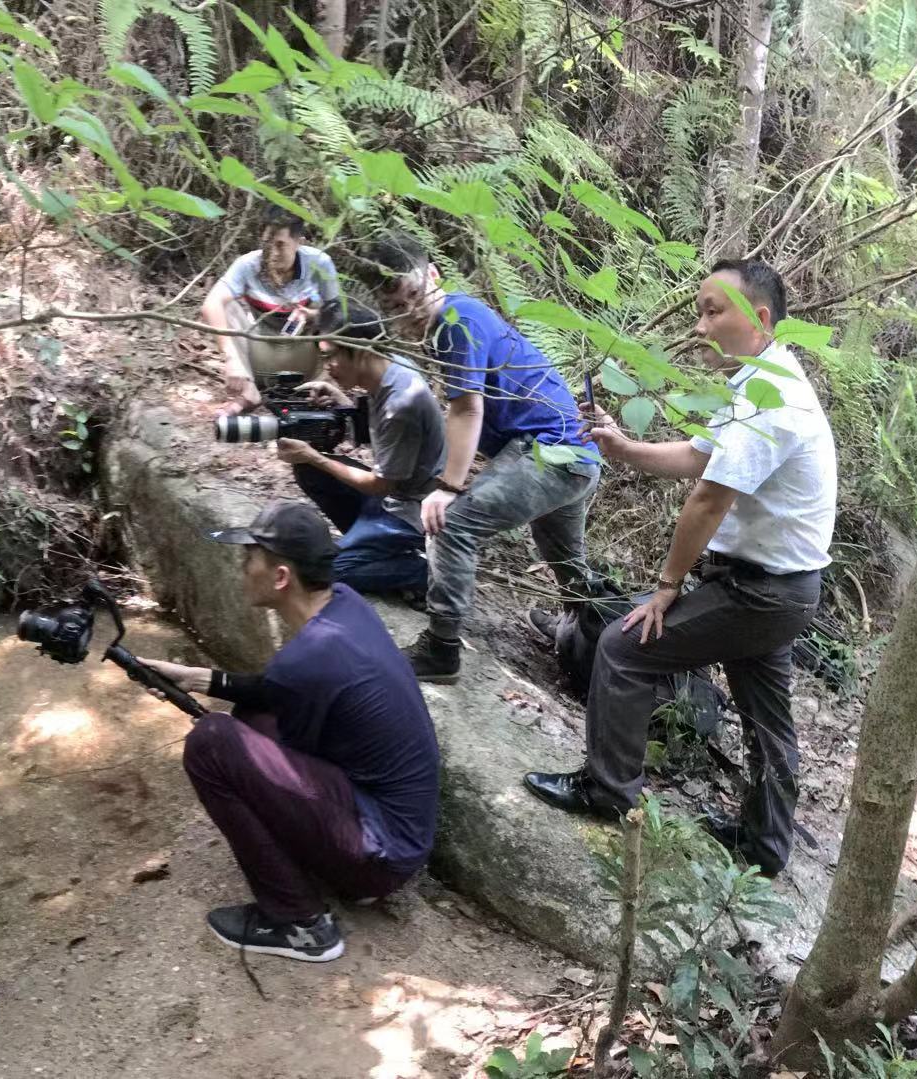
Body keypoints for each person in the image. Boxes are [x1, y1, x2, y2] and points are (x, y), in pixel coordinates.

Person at [525, 259, 835, 877]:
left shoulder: (772, 403)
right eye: (699, 310)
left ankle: (608, 791)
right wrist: (624, 446)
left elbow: (709, 499)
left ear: (760, 317)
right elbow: (699, 456)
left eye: (713, 311)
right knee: (767, 719)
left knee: (623, 646)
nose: (699, 327)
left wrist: (667, 588)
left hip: (762, 593)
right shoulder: (761, 382)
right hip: (782, 591)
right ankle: (766, 843)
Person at [134, 502, 440, 963]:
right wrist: (197, 677)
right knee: (251, 721)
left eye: (249, 557)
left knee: (211, 743)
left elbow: (286, 705)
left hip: (379, 855)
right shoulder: (344, 605)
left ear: (280, 577)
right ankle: (324, 882)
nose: (242, 567)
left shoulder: (307, 660)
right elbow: (279, 694)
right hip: (400, 834)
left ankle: (300, 922)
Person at [360, 233, 601, 684]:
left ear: (432, 275)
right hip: (574, 455)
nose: (408, 311)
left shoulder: (454, 320)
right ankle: (587, 636)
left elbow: (467, 408)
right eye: (394, 306)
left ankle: (441, 649)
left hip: (549, 451)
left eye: (413, 295)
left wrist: (447, 489)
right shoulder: (456, 318)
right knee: (567, 561)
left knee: (451, 527)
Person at [274, 300, 444, 597]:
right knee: (309, 471)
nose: (327, 367)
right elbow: (384, 440)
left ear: (362, 350)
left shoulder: (400, 401)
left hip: (410, 511)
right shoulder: (390, 369)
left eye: (331, 357)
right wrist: (343, 404)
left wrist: (313, 455)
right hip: (392, 496)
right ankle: (367, 543)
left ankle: (422, 571)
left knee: (330, 574)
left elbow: (380, 484)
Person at [203, 208, 342, 414]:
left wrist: (313, 316)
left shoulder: (319, 263)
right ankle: (249, 393)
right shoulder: (248, 264)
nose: (273, 253)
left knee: (329, 310)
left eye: (280, 245)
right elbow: (210, 304)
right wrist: (231, 359)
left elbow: (340, 315)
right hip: (260, 355)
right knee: (226, 305)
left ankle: (324, 386)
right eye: (268, 243)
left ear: (299, 243)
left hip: (305, 359)